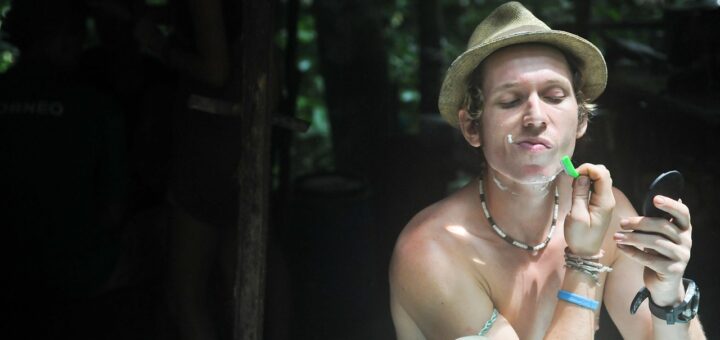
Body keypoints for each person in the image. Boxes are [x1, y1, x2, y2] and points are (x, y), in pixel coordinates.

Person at [388, 2, 706, 339]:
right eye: (510, 101)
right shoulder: (432, 250)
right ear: (472, 128)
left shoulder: (608, 214)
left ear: (581, 119)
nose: (536, 117)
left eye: (554, 96)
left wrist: (668, 295)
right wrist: (584, 261)